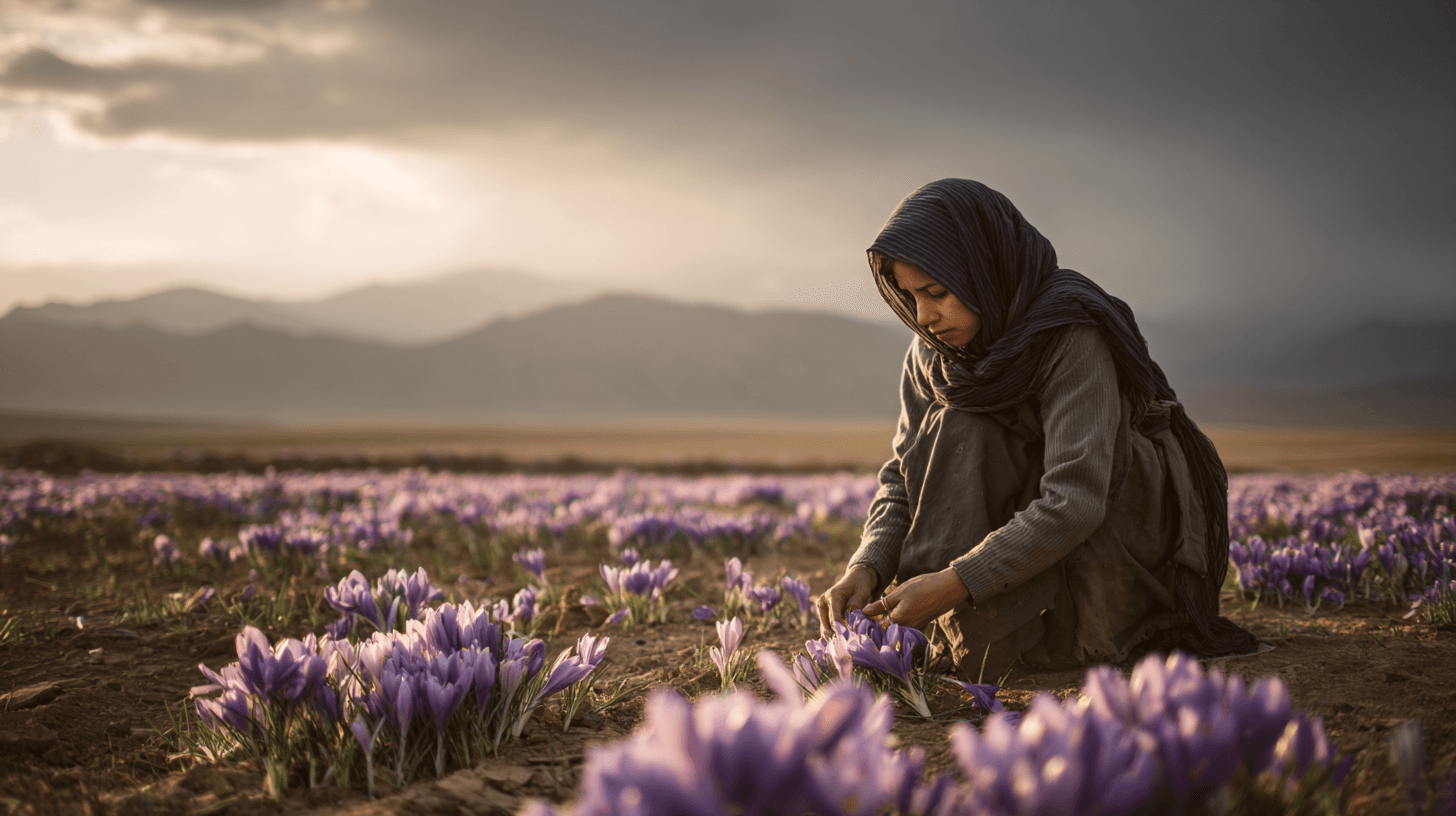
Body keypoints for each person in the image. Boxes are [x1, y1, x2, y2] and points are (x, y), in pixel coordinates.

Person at [814, 178, 1260, 682]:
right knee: (960, 423)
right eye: (909, 295)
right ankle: (959, 632)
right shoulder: (933, 355)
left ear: (984, 269)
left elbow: (1076, 497)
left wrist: (955, 583)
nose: (924, 316)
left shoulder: (1069, 333)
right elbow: (903, 478)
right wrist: (867, 566)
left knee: (965, 427)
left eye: (936, 292)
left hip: (1114, 512)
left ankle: (1014, 625)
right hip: (1020, 527)